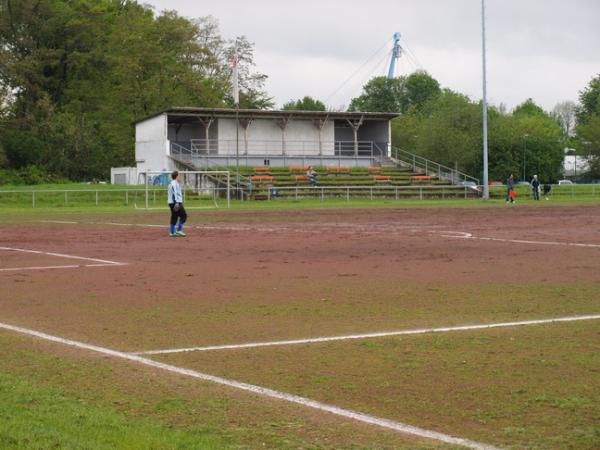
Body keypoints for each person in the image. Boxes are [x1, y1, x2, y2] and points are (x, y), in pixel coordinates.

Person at [168, 170, 187, 237]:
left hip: (171, 202)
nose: (180, 177)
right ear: (176, 176)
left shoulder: (173, 183)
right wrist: (176, 202)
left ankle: (172, 232)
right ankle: (179, 230)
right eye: (179, 175)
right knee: (184, 215)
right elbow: (174, 192)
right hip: (176, 202)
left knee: (174, 217)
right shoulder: (174, 183)